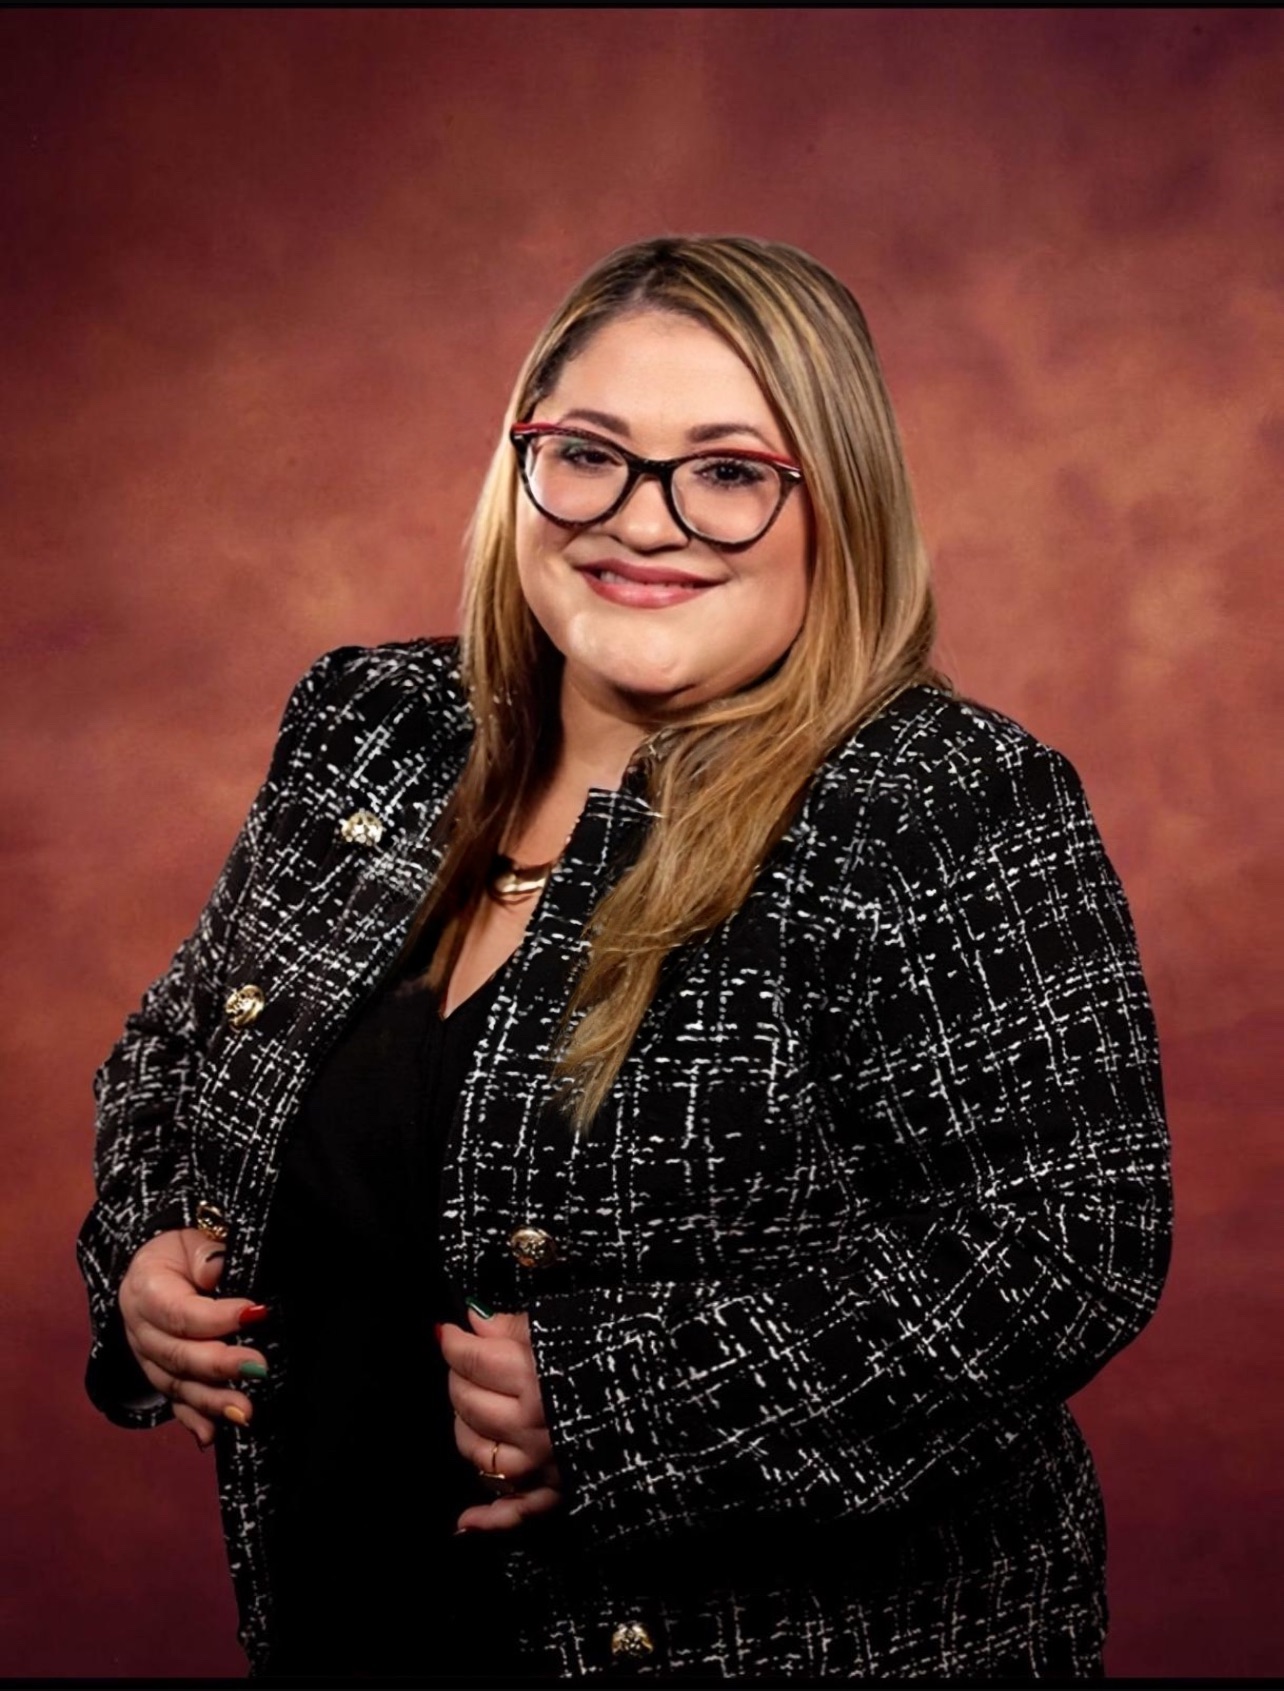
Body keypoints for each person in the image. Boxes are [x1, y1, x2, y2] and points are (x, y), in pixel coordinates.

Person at [78, 234, 1171, 1683]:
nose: (642, 522)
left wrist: (617, 1408)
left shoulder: (938, 802)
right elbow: (177, 1055)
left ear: (835, 503)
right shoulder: (375, 725)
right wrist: (145, 1258)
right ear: (519, 467)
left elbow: (1066, 1247)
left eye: (727, 472)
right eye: (589, 453)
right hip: (356, 1622)